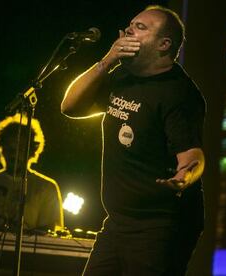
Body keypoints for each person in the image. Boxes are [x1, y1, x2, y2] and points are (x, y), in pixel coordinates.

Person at [61, 5, 206, 276]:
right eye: (130, 24)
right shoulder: (123, 77)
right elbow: (70, 107)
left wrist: (183, 177)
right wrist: (107, 61)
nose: (129, 30)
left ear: (164, 44)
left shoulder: (178, 94)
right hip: (118, 222)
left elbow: (193, 156)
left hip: (160, 226)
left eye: (141, 27)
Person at [0, 113, 64, 232]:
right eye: (10, 148)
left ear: (32, 151)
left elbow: (51, 230)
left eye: (20, 149)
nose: (14, 154)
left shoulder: (46, 187)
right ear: (1, 148)